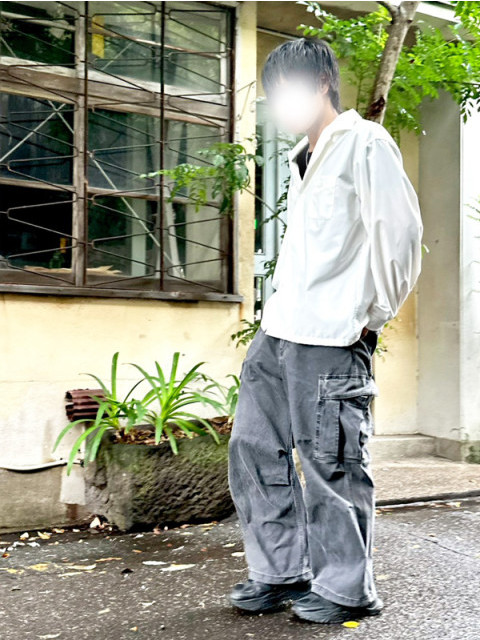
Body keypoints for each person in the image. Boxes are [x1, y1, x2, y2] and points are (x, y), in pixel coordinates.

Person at [226, 37, 424, 624]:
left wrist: (370, 316)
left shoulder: (365, 142)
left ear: (320, 85)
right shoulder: (300, 157)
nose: (280, 105)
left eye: (288, 91)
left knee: (331, 460)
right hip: (279, 328)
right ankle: (280, 572)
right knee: (252, 447)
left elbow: (401, 236)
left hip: (333, 334)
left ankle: (345, 588)